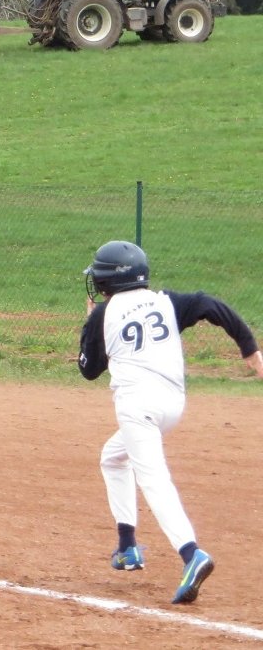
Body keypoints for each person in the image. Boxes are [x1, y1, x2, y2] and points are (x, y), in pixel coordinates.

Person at [79, 240, 263, 604]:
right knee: (113, 457)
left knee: (153, 479)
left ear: (105, 282)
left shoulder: (105, 314)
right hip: (172, 404)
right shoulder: (167, 301)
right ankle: (127, 546)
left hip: (137, 407)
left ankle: (191, 553)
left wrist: (89, 323)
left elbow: (88, 370)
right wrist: (250, 350)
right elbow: (212, 305)